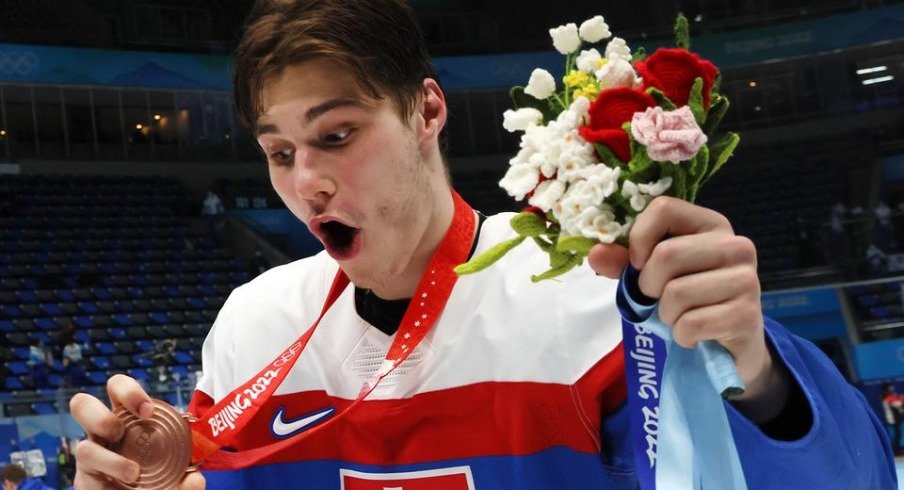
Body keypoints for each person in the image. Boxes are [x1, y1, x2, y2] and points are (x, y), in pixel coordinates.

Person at [69, 1, 895, 489]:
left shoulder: (588, 289)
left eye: (338, 134)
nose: (306, 181)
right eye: (280, 153)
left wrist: (752, 375)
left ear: (429, 112)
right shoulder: (252, 324)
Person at [882, 384, 904, 455]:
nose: (892, 388)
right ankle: (895, 450)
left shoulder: (891, 396)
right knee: (896, 434)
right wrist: (901, 399)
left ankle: (897, 448)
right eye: (890, 388)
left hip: (895, 419)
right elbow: (897, 404)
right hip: (892, 419)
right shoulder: (887, 397)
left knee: (898, 434)